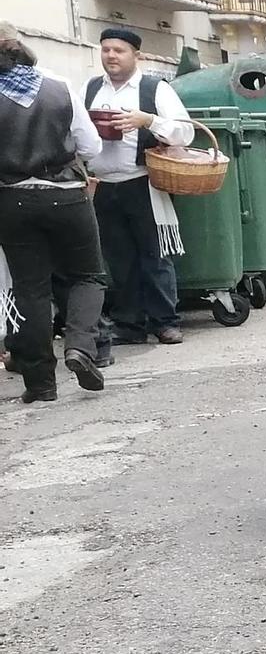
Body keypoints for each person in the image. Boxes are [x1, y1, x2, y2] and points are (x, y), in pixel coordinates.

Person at [0, 23, 109, 402]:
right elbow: (91, 146)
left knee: (30, 289)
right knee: (88, 276)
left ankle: (40, 384)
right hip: (67, 196)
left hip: (11, 200)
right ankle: (79, 346)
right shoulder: (58, 85)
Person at [86, 25, 193, 346]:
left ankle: (165, 322)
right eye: (106, 50)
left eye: (118, 50)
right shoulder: (91, 89)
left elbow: (185, 133)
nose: (111, 56)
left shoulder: (154, 89)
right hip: (104, 185)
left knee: (155, 255)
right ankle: (129, 324)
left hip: (144, 183)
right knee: (119, 259)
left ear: (136, 55)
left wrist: (146, 121)